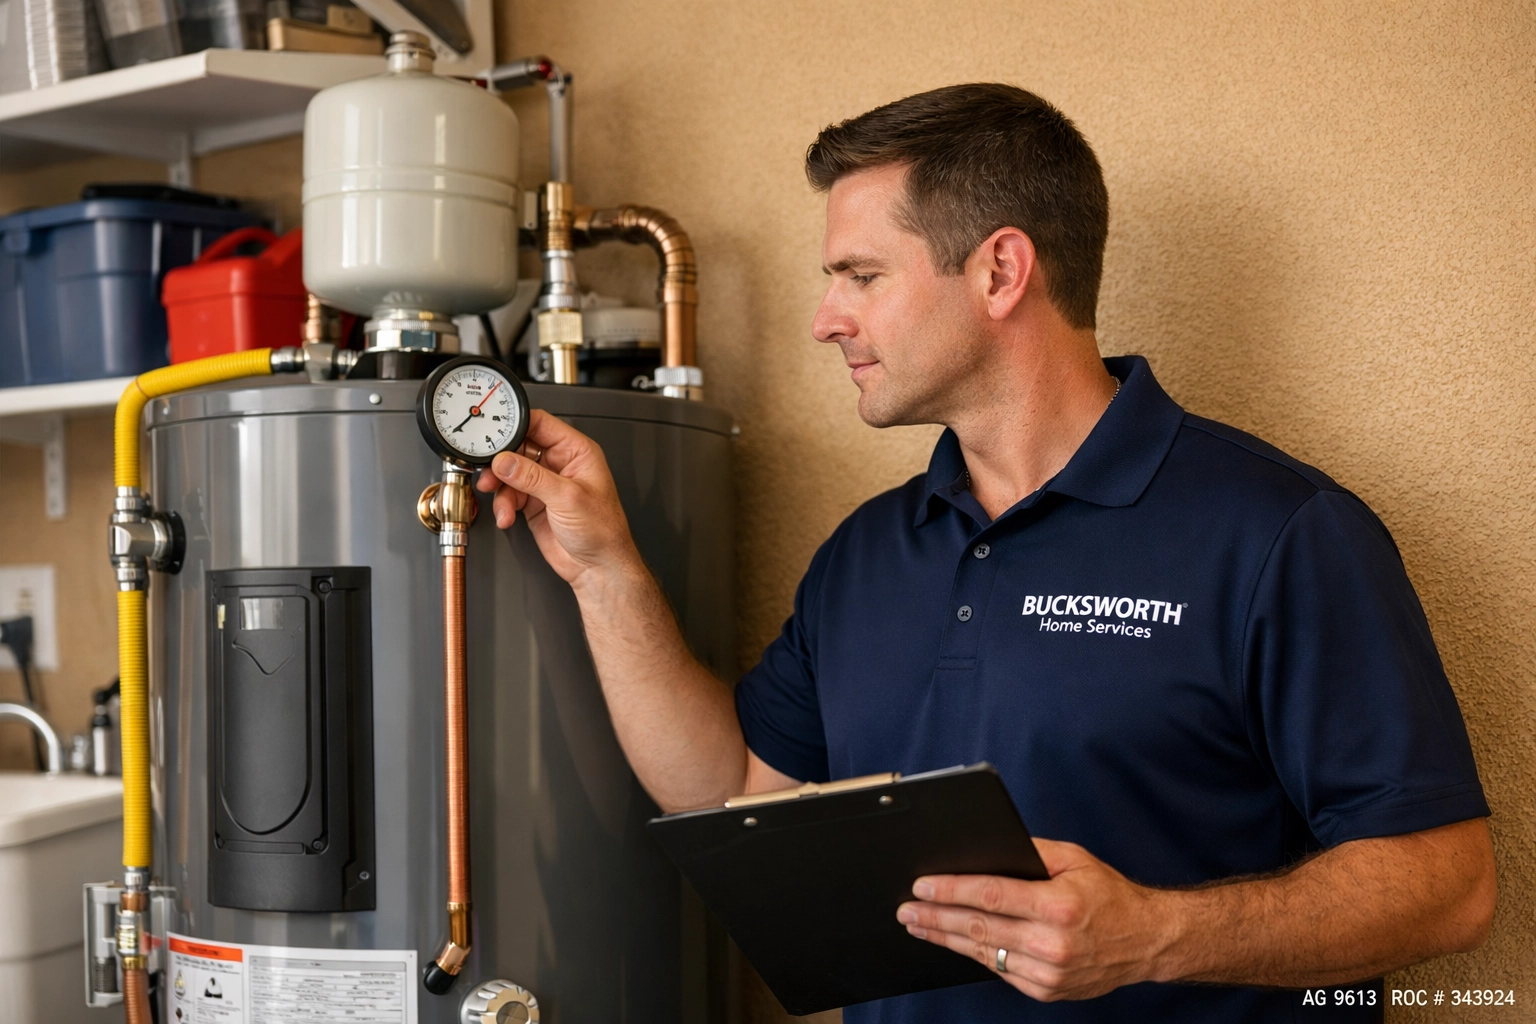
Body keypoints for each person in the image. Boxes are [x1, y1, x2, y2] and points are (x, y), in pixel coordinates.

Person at [476, 84, 1495, 1022]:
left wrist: (1155, 936)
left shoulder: (1279, 532)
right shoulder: (867, 553)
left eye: (861, 276)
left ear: (1000, 271)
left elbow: (1450, 886)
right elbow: (735, 798)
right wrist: (605, 572)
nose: (825, 321)